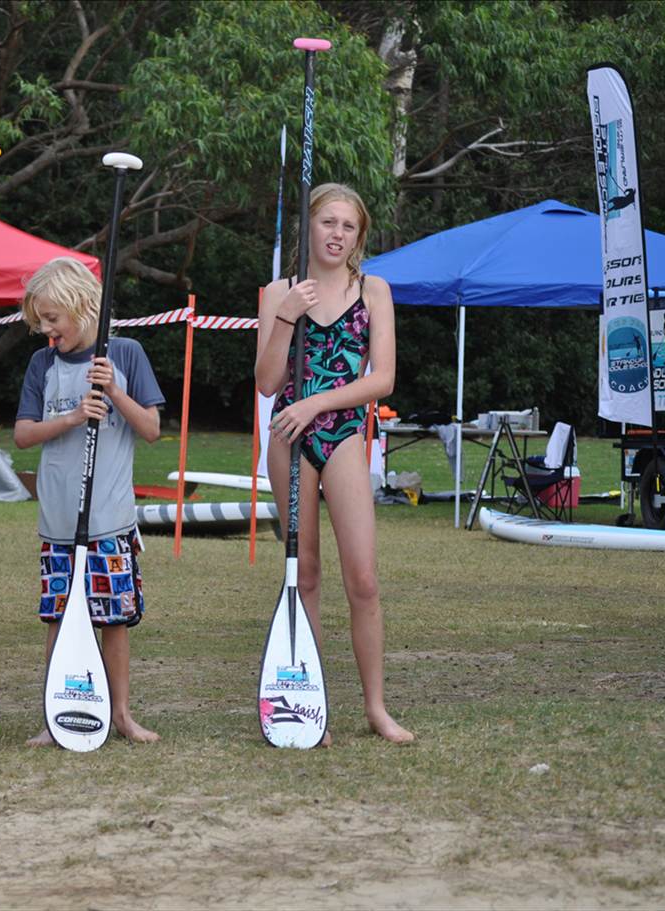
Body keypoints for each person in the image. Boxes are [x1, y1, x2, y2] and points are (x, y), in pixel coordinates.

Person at [254, 183, 414, 745]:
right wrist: (286, 318)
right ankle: (310, 705)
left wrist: (316, 403)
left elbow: (382, 379)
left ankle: (376, 708)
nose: (337, 234)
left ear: (359, 235)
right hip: (289, 439)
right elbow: (267, 382)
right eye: (328, 222)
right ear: (310, 226)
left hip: (342, 434)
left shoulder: (373, 290)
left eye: (348, 226)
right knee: (306, 575)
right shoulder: (281, 292)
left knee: (363, 579)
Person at [13, 256, 164, 746]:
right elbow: (23, 435)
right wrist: (74, 417)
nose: (45, 329)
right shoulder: (42, 364)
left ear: (83, 306)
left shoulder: (126, 353)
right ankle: (56, 714)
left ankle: (121, 714)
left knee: (113, 620)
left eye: (52, 318)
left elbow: (151, 429)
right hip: (58, 521)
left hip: (109, 520)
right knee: (58, 618)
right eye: (40, 320)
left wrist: (114, 390)